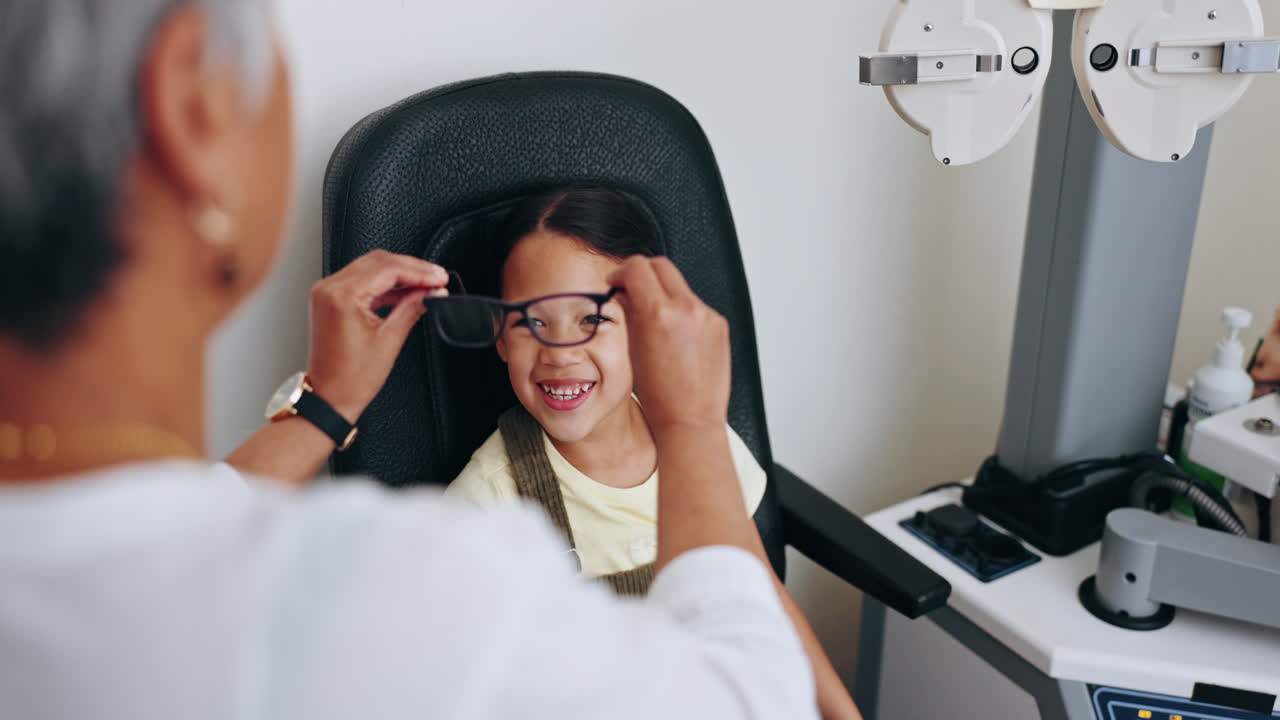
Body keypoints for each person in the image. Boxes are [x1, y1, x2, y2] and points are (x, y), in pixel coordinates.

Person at [0, 2, 818, 719]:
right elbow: (751, 701)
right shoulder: (423, 588)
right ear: (192, 102)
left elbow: (165, 529)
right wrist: (694, 424)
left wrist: (325, 405)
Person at [446, 187, 861, 719]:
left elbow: (762, 601)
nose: (559, 354)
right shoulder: (483, 510)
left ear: (645, 326)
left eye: (590, 320)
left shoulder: (700, 442)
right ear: (500, 337)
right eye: (532, 322)